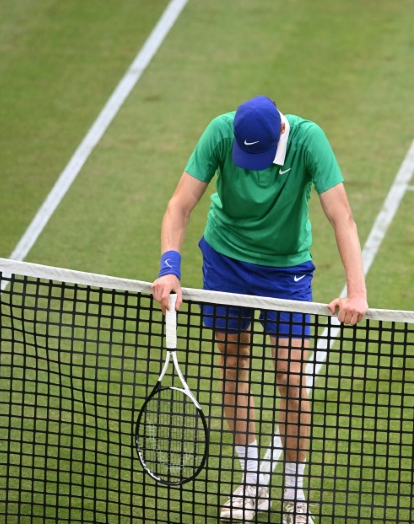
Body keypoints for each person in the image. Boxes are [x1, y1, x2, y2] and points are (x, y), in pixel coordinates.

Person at [151, 95, 368, 524]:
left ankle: (292, 492)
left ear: (281, 134)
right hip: (225, 259)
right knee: (233, 362)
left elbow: (341, 216)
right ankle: (252, 483)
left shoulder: (309, 141)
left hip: (284, 271)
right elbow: (180, 204)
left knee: (291, 375)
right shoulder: (220, 131)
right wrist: (169, 268)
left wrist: (356, 292)